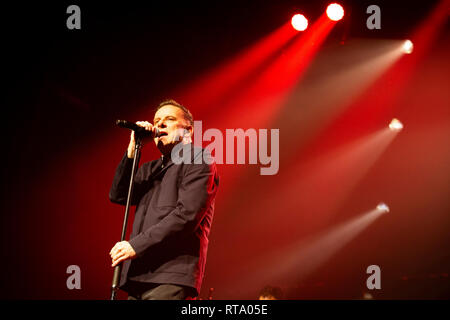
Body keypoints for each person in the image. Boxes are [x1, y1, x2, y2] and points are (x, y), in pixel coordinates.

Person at [109, 100, 219, 300]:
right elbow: (118, 194)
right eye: (156, 121)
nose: (159, 125)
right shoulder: (149, 169)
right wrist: (134, 147)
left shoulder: (198, 159)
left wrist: (136, 245)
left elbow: (187, 214)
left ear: (188, 130)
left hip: (171, 276)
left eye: (168, 119)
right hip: (138, 276)